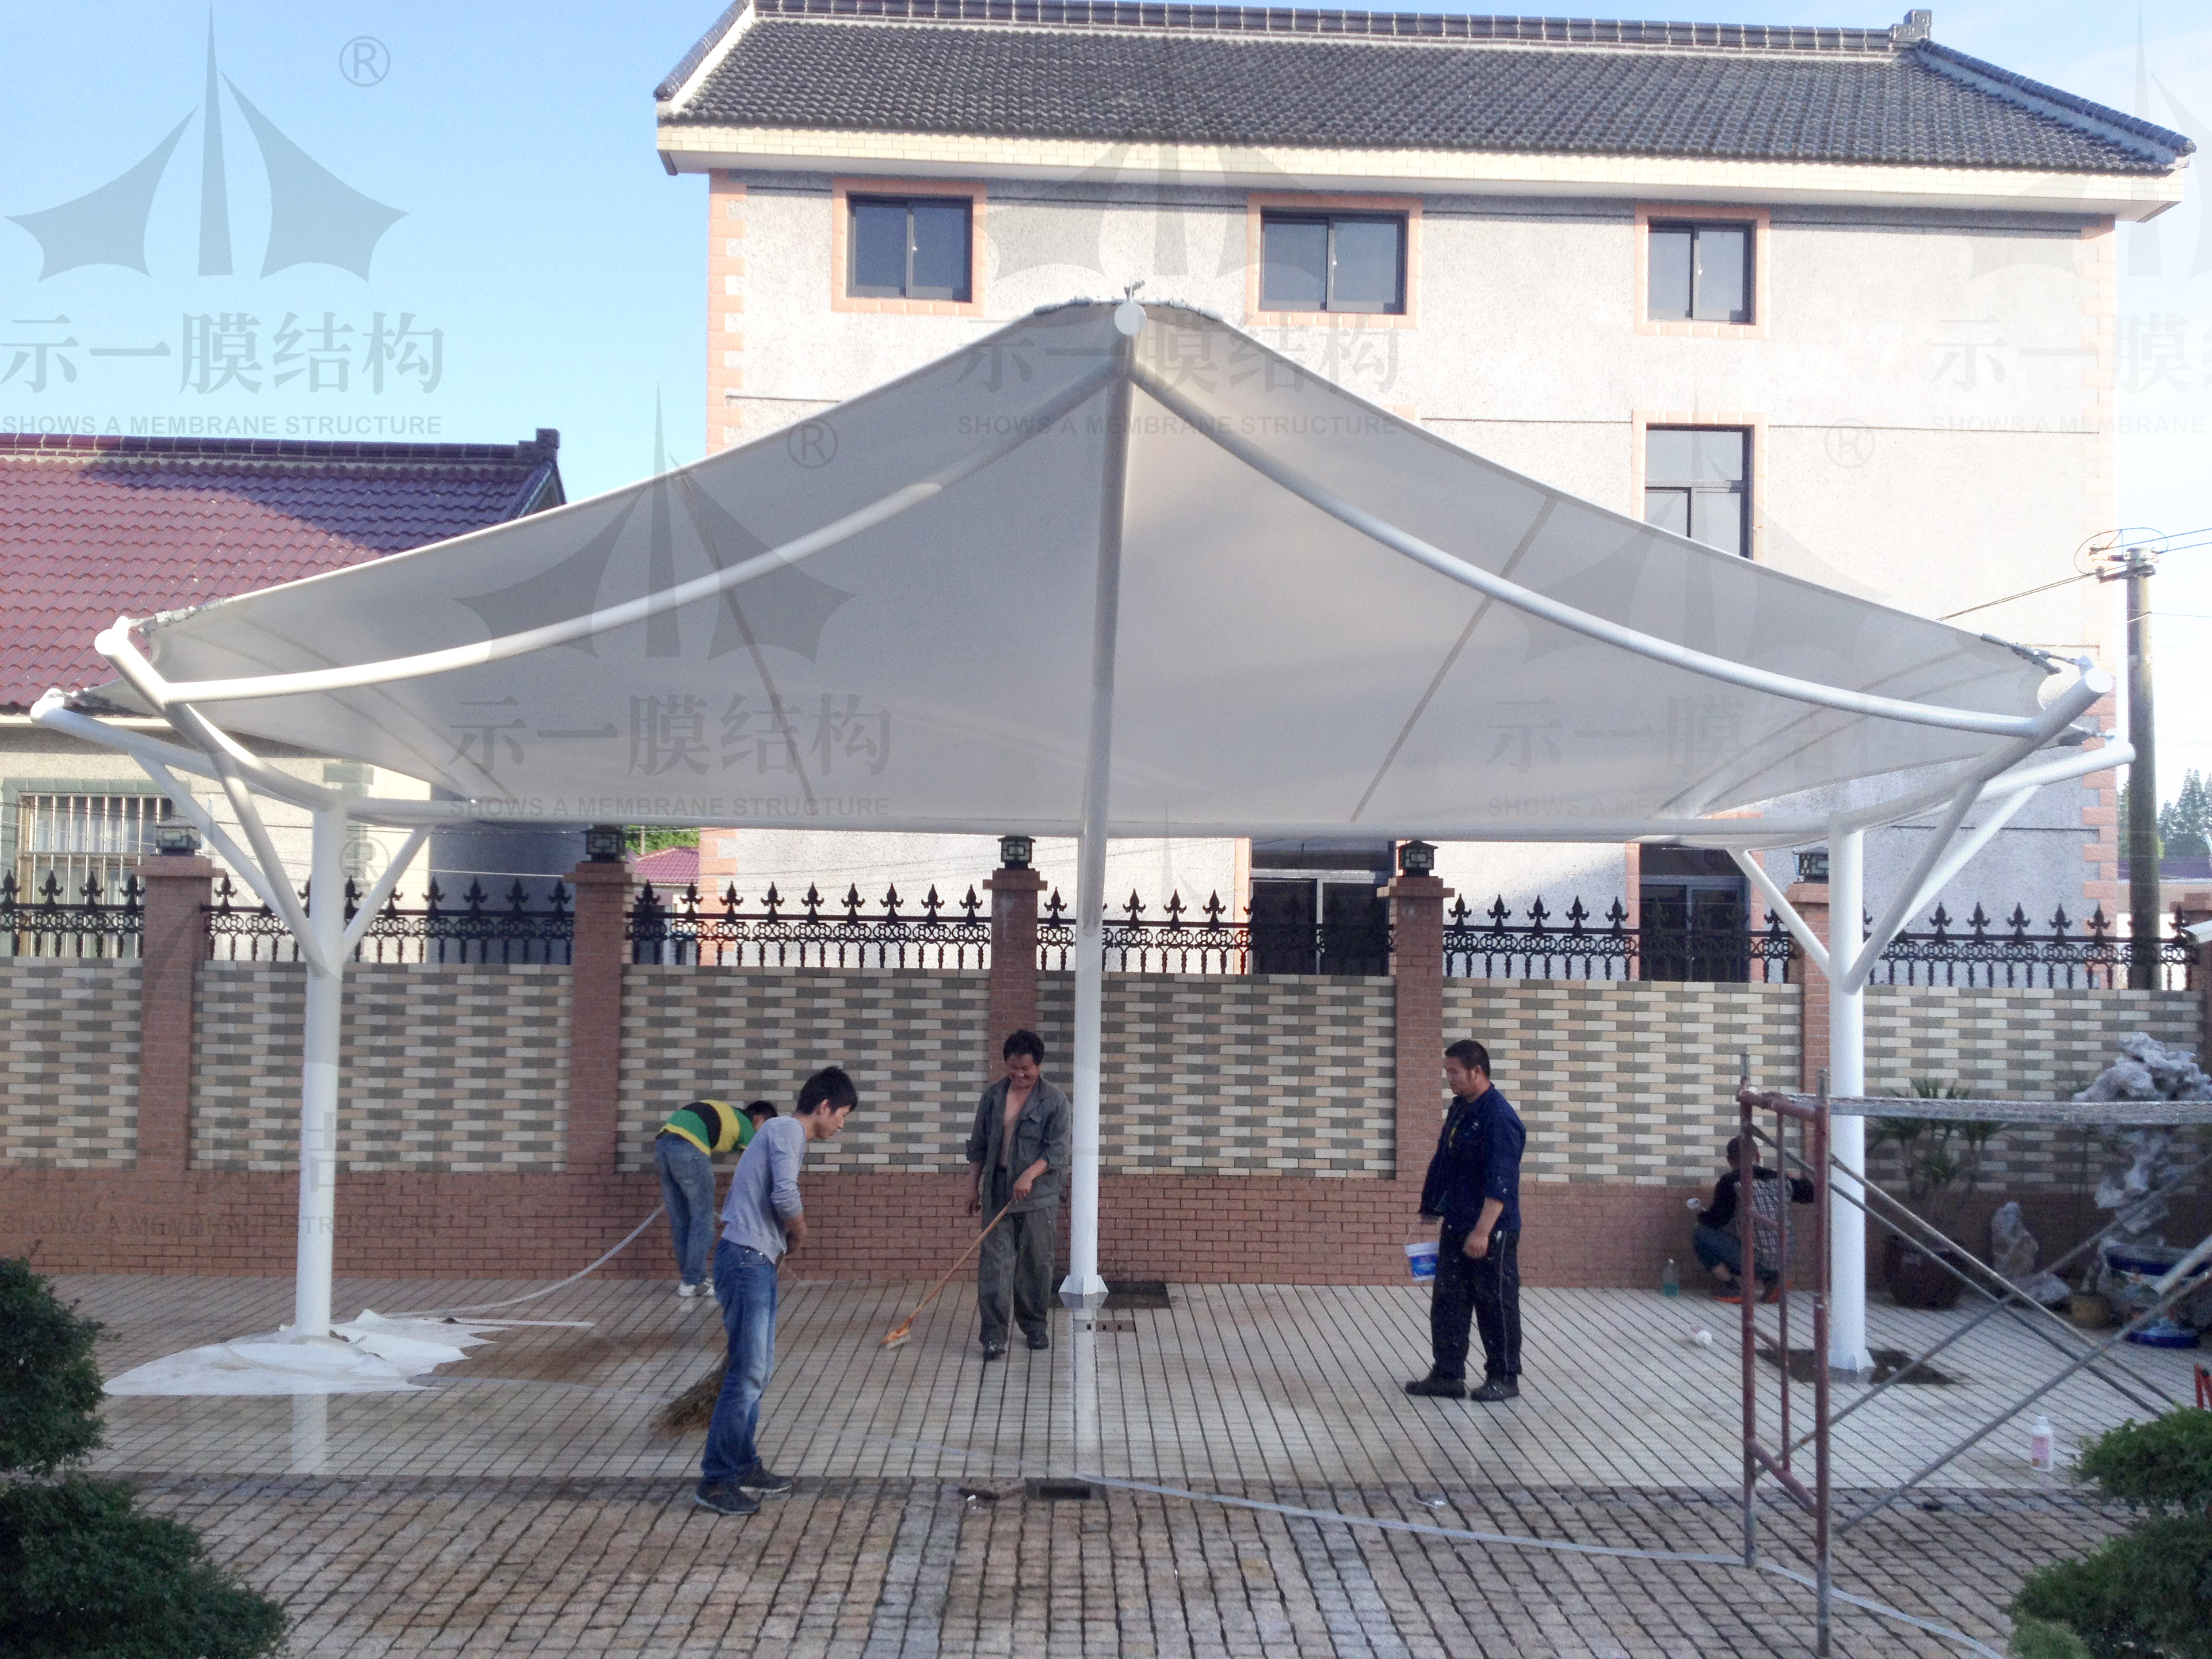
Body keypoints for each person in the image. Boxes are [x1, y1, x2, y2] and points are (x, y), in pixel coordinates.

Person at [695, 1065, 858, 1517]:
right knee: (747, 1372)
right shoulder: (788, 1129)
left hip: (754, 1258)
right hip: (746, 1260)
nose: (841, 1125)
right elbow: (785, 1193)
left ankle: (744, 1465)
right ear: (824, 1107)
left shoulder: (784, 1134)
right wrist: (800, 1232)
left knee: (756, 1371)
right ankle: (716, 1479)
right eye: (842, 1115)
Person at [1406, 1039, 1525, 1403]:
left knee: (1495, 1302)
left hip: (1491, 1229)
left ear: (1477, 1072)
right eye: (1447, 1073)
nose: (1450, 1079)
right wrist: (1432, 1205)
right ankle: (1447, 1374)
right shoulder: (1461, 1108)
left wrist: (1482, 1232)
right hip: (1458, 1221)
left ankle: (1503, 1376)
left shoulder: (1500, 1118)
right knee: (1449, 1300)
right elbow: (1445, 1159)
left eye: (1454, 1072)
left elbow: (1500, 1184)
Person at [964, 1029, 1071, 1360]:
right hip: (998, 1193)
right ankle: (993, 1336)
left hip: (1038, 1198)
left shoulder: (1054, 1101)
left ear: (1039, 1065)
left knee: (1035, 1264)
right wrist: (972, 1185)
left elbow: (1057, 1151)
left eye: (1026, 1069)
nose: (1020, 1075)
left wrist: (1029, 1174)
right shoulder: (993, 1097)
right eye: (1013, 1068)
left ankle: (1035, 1326)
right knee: (994, 1266)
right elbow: (978, 1146)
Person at [1691, 1136, 1814, 1304]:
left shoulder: (1730, 1182)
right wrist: (1795, 1179)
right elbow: (1810, 1194)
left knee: (1701, 1234)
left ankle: (1731, 1288)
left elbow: (1716, 1220)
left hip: (1754, 1261)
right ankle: (1774, 1281)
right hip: (1785, 1257)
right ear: (1758, 1156)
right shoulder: (1779, 1178)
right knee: (1751, 1232)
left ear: (1730, 1160)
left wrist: (1700, 1215)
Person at [655, 1099, 755, 1298]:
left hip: (662, 1144)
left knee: (681, 1221)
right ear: (759, 1119)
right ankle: (693, 1281)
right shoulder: (748, 1126)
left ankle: (691, 1280)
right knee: (703, 1220)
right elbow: (753, 1169)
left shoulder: (726, 1112)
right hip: (689, 1147)